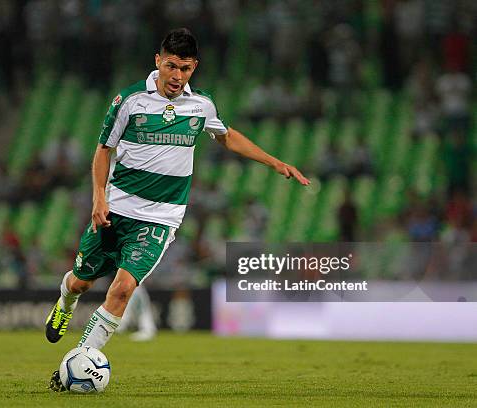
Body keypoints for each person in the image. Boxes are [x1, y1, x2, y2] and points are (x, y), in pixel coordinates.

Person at [46, 28, 310, 391]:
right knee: (81, 280)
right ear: (158, 61)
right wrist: (98, 197)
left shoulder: (201, 105)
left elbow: (227, 135)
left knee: (122, 288)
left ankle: (79, 360)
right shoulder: (130, 101)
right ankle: (65, 302)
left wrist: (274, 162)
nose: (177, 76)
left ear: (194, 67)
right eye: (171, 66)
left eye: (185, 68)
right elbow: (103, 149)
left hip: (161, 216)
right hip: (117, 207)